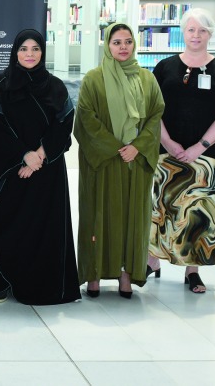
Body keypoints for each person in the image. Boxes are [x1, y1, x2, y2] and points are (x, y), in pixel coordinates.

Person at [0, 29, 80, 305]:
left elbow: (64, 125)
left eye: (35, 49)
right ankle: (1, 281)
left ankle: (40, 286)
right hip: (10, 173)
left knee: (43, 231)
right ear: (15, 52)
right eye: (24, 49)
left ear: (43, 52)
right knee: (8, 226)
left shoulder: (56, 86)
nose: (29, 54)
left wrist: (38, 156)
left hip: (47, 173)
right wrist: (23, 155)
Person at [146, 8, 215, 294]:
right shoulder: (165, 67)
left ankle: (193, 270)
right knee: (161, 207)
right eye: (191, 30)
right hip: (168, 151)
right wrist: (170, 143)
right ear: (182, 33)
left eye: (202, 30)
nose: (196, 35)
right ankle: (152, 261)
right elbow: (153, 109)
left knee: (200, 213)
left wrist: (200, 147)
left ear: (211, 34)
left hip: (206, 155)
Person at [75, 23, 164, 298]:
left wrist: (137, 147)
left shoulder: (147, 79)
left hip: (135, 163)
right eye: (116, 42)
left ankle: (127, 275)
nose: (123, 47)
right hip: (103, 162)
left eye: (127, 41)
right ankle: (94, 276)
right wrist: (116, 148)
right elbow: (85, 119)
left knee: (132, 219)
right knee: (97, 217)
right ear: (107, 46)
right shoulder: (94, 78)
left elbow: (155, 116)